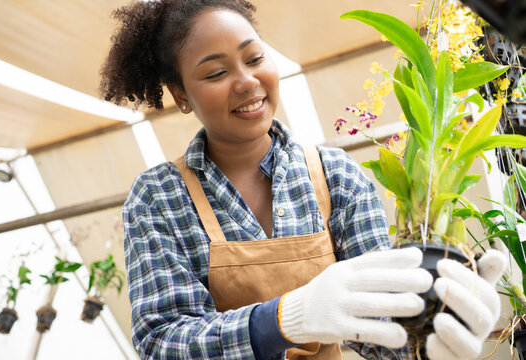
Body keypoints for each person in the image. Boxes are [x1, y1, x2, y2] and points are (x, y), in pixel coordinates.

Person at [99, 1, 507, 359]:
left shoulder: (336, 177)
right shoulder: (159, 198)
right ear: (181, 94)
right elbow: (162, 342)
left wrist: (433, 326)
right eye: (217, 72)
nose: (246, 81)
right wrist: (283, 320)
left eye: (255, 58)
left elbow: (381, 325)